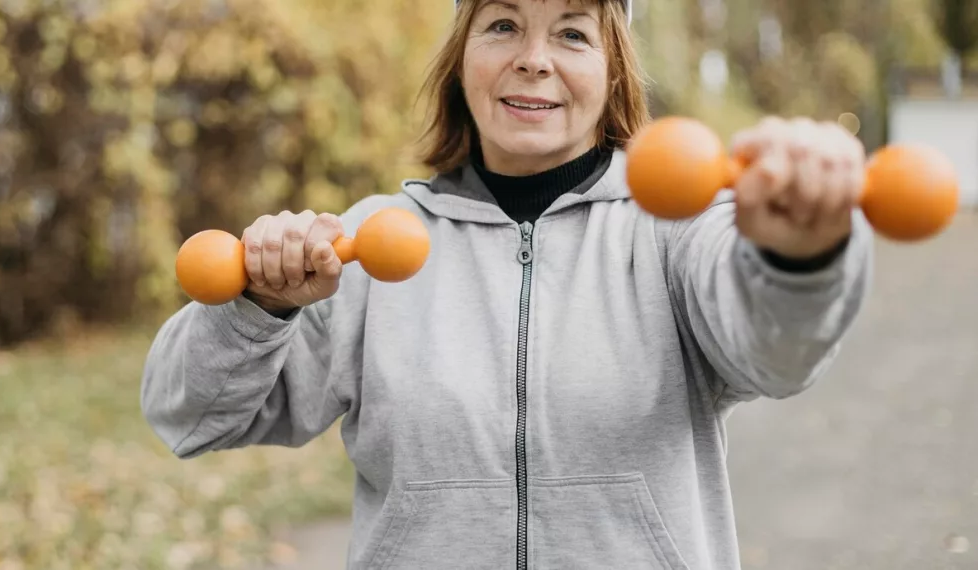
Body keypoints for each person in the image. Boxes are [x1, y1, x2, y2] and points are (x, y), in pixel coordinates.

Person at [140, 0, 873, 568]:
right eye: (502, 25)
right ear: (461, 60)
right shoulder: (362, 248)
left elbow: (779, 355)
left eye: (572, 34)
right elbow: (189, 415)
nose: (533, 60)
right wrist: (259, 307)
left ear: (613, 70)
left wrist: (800, 256)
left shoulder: (675, 231)